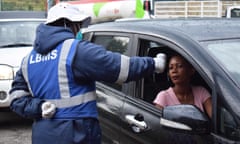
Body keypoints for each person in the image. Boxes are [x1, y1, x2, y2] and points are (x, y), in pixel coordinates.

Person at [8, 2, 166, 144]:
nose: (79, 30)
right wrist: (154, 63)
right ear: (67, 24)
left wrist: (39, 107)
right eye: (78, 25)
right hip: (75, 135)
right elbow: (119, 68)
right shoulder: (75, 50)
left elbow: (16, 99)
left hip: (43, 136)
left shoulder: (28, 59)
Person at [153, 54, 212, 118]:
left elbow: (216, 118)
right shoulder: (163, 96)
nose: (174, 71)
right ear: (168, 74)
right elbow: (155, 122)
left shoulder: (201, 92)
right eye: (171, 68)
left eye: (179, 66)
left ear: (191, 70)